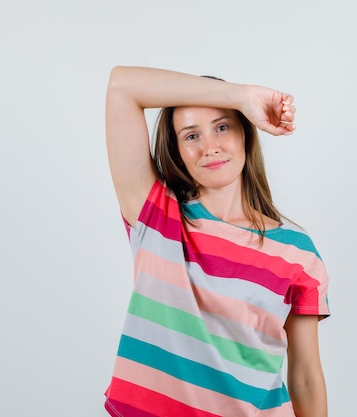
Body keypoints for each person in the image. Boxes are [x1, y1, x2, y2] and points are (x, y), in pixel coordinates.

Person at [103, 66, 330, 417]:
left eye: (222, 127)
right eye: (191, 136)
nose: (210, 147)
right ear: (177, 150)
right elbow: (122, 86)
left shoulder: (298, 252)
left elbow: (306, 378)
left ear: (244, 134)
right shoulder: (157, 215)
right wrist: (241, 97)